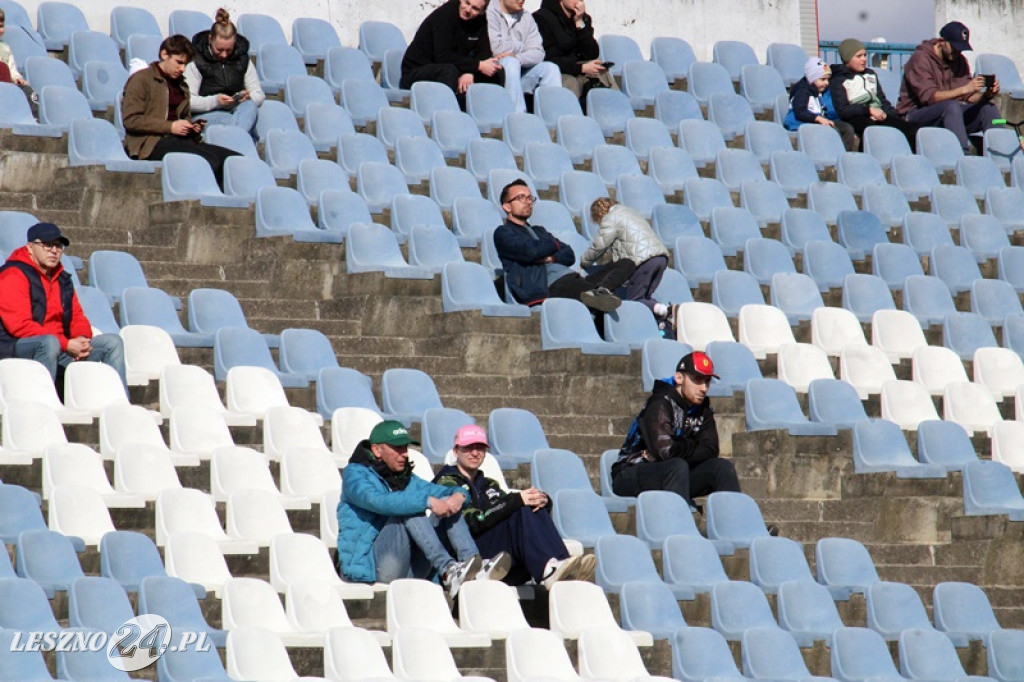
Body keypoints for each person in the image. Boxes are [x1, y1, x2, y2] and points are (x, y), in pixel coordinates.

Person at [336, 420, 510, 596]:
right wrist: (427, 501)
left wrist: (459, 495)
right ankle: (448, 570)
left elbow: (444, 491)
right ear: (376, 450)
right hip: (373, 567)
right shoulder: (355, 474)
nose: (404, 454)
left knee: (445, 501)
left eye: (405, 448)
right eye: (397, 448)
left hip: (409, 566)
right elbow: (377, 501)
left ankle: (472, 565)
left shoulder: (405, 477)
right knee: (410, 505)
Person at [433, 425, 596, 587]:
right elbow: (473, 522)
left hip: (500, 557)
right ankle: (550, 570)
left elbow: (503, 508)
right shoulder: (447, 482)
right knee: (519, 507)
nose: (475, 453)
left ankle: (561, 565)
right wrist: (516, 500)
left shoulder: (489, 484)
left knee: (529, 506)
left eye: (480, 448)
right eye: (468, 448)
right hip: (470, 559)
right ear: (456, 451)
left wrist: (542, 501)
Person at [0, 223, 127, 391]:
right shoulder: (13, 275)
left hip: (59, 346)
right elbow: (20, 326)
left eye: (58, 245)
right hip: (15, 346)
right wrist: (65, 344)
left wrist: (81, 338)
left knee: (112, 342)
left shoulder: (63, 278)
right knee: (48, 343)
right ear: (30, 247)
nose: (54, 250)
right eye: (47, 245)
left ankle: (120, 407)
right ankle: (43, 405)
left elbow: (77, 316)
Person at [611, 351, 740, 510]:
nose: (704, 388)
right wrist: (693, 444)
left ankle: (736, 528)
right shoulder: (659, 403)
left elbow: (711, 449)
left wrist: (680, 445)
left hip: (675, 472)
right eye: (697, 380)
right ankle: (681, 527)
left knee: (722, 468)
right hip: (630, 474)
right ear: (679, 378)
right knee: (677, 466)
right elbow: (665, 450)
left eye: (707, 382)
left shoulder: (703, 408)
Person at [494, 179, 634, 312]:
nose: (528, 202)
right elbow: (530, 252)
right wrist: (553, 244)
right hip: (547, 284)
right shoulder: (503, 233)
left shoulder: (540, 231)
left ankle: (599, 292)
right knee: (598, 300)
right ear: (507, 206)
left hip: (571, 279)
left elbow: (569, 254)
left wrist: (551, 258)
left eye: (530, 198)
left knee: (627, 263)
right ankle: (596, 295)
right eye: (521, 198)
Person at [121, 35, 240, 188]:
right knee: (210, 161)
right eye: (179, 62)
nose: (182, 69)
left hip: (178, 141)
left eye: (185, 64)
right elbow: (131, 120)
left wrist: (192, 128)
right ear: (164, 54)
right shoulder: (141, 79)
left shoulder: (182, 84)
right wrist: (170, 127)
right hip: (150, 144)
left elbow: (183, 118)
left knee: (233, 160)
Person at [896, 21, 1001, 155]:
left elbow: (968, 98)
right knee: (951, 106)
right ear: (941, 41)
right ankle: (964, 158)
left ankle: (1001, 157)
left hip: (950, 115)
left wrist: (986, 95)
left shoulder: (959, 60)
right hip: (915, 115)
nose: (957, 52)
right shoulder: (920, 59)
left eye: (961, 49)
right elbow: (930, 97)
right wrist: (966, 89)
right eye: (954, 47)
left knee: (988, 108)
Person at [400, 0, 504, 109]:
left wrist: (470, 72)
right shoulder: (444, 15)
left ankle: (486, 114)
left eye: (475, 8)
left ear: (482, 12)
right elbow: (442, 56)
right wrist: (478, 66)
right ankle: (448, 114)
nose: (468, 10)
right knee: (448, 71)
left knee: (496, 71)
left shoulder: (480, 20)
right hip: (417, 71)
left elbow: (484, 52)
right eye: (466, 3)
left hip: (454, 67)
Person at [584, 198, 671, 324]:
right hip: (661, 258)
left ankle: (666, 310)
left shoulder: (611, 218)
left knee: (635, 301)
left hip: (644, 260)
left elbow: (599, 246)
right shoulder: (632, 213)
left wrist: (585, 261)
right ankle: (666, 316)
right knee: (646, 298)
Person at [184, 9, 265, 141]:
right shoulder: (196, 61)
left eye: (229, 50)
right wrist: (216, 101)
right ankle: (239, 140)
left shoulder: (243, 59)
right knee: (235, 122)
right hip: (207, 114)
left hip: (238, 112)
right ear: (210, 39)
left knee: (250, 106)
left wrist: (247, 97)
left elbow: (259, 94)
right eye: (219, 49)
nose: (224, 55)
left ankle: (235, 137)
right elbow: (188, 101)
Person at [829, 38, 919, 151]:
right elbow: (842, 110)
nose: (863, 59)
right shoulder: (839, 79)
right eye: (858, 56)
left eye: (865, 55)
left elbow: (882, 100)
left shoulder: (870, 74)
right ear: (847, 59)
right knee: (872, 131)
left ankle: (910, 160)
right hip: (857, 116)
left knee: (912, 130)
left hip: (878, 114)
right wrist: (868, 110)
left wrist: (896, 117)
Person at [486, 0, 561, 113]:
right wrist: (522, 46)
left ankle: (552, 121)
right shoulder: (489, 12)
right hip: (494, 73)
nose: (521, 0)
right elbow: (496, 48)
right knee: (511, 62)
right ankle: (518, 116)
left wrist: (517, 57)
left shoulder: (526, 17)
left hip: (518, 73)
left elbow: (539, 52)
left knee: (551, 68)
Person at [532, 0, 615, 100]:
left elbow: (592, 53)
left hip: (579, 67)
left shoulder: (583, 19)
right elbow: (548, 58)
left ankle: (617, 110)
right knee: (570, 82)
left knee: (602, 73)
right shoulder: (542, 18)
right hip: (559, 71)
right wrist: (581, 68)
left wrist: (580, 23)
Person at [785, 57, 857, 151]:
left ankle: (844, 156)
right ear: (812, 78)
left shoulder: (820, 92)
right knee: (832, 130)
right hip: (800, 123)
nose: (826, 83)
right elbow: (800, 112)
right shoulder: (802, 91)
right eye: (822, 79)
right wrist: (819, 119)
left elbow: (827, 111)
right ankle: (834, 155)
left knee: (847, 129)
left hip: (816, 121)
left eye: (827, 79)